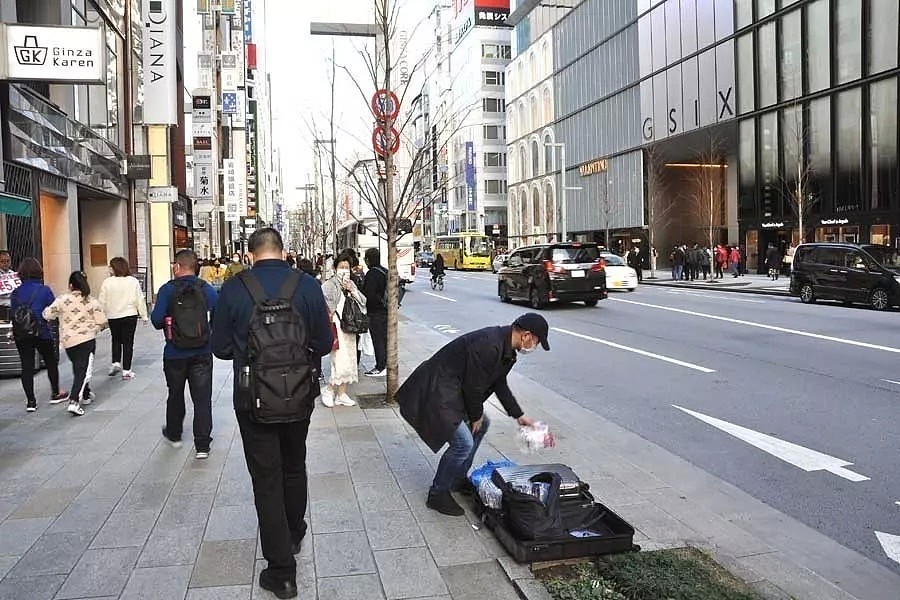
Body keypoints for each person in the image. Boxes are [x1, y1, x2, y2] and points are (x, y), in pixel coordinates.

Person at [212, 228, 333, 600]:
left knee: (267, 478)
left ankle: (281, 573)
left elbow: (218, 348)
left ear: (250, 255)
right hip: (299, 395)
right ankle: (294, 532)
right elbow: (325, 343)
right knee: (295, 464)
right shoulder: (307, 285)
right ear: (282, 251)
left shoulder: (233, 289)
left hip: (253, 400)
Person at [396, 313, 546, 516]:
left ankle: (457, 478)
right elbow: (473, 387)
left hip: (453, 388)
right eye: (536, 341)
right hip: (438, 388)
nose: (534, 346)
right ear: (526, 335)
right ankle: (438, 493)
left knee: (482, 425)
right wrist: (475, 415)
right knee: (463, 443)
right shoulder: (489, 345)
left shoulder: (506, 349)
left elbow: (499, 384)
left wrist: (519, 415)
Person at [151, 249, 218, 459]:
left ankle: (175, 434)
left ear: (177, 267)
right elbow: (217, 312)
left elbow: (156, 320)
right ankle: (203, 445)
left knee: (175, 393)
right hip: (202, 352)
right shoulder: (206, 289)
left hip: (174, 353)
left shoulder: (167, 290)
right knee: (202, 398)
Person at [42, 271, 107, 416]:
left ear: (71, 285)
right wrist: (94, 329)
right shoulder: (91, 301)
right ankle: (74, 400)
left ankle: (85, 393)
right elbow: (102, 321)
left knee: (79, 367)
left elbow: (47, 314)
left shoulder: (62, 299)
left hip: (69, 341)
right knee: (83, 371)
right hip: (87, 340)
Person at [10, 258, 67, 412]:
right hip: (41, 331)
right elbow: (53, 310)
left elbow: (13, 313)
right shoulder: (44, 290)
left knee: (26, 366)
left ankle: (31, 402)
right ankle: (56, 393)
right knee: (50, 362)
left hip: (22, 333)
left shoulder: (15, 293)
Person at [321, 252, 366, 407]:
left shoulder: (351, 284)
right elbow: (327, 307)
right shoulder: (329, 285)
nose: (344, 270)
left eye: (347, 267)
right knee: (339, 362)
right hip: (336, 327)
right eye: (341, 267)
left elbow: (363, 302)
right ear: (335, 268)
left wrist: (352, 290)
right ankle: (328, 389)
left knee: (350, 361)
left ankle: (341, 393)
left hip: (349, 327)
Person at [99, 257, 148, 380]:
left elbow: (102, 301)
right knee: (128, 342)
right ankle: (127, 370)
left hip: (113, 315)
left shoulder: (107, 282)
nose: (109, 269)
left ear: (115, 268)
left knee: (115, 339)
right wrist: (144, 316)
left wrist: (101, 317)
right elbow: (139, 299)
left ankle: (116, 362)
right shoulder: (132, 281)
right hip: (129, 315)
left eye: (110, 267)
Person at [362, 248, 388, 377]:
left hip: (376, 312)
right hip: (387, 310)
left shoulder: (372, 274)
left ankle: (380, 366)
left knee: (378, 340)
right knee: (385, 339)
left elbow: (369, 295)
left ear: (368, 259)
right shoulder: (385, 271)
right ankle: (386, 364)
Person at [0, 249, 14, 320]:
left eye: (8, 261)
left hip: (12, 307)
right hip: (1, 307)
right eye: (2, 261)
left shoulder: (13, 274)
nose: (5, 263)